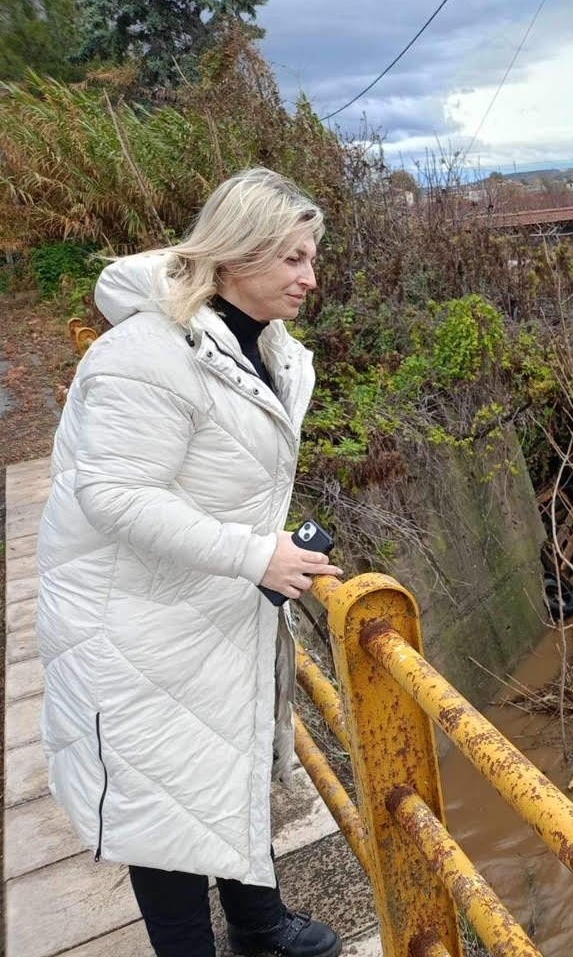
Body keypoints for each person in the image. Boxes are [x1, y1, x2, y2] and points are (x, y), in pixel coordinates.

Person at [36, 168, 345, 957]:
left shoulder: (264, 349)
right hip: (133, 618)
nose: (310, 277)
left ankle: (257, 926)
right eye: (293, 259)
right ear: (236, 257)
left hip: (207, 603)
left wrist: (266, 557)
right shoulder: (146, 352)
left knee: (223, 766)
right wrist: (254, 555)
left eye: (311, 257)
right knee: (159, 800)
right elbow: (113, 494)